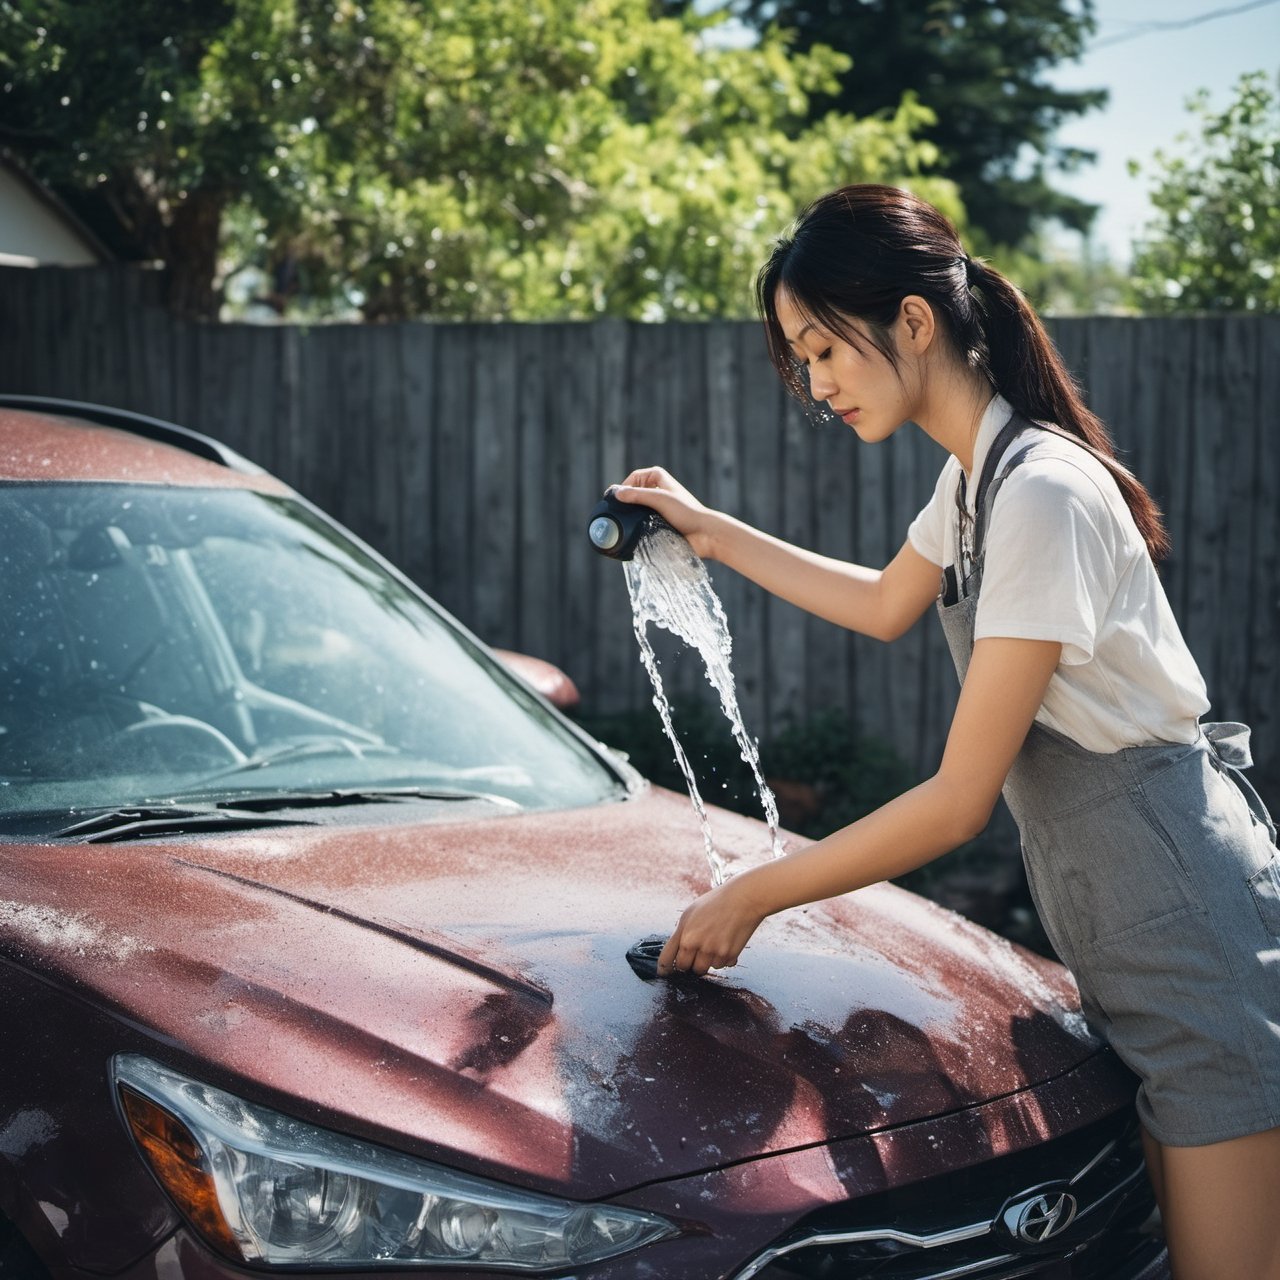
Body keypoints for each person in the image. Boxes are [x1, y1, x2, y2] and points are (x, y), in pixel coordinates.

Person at [610, 184, 1280, 1280]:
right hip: (1120, 937)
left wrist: (754, 892)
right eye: (800, 357)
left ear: (912, 322)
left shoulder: (1041, 494)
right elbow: (882, 601)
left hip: (1188, 942)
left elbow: (958, 797)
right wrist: (709, 530)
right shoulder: (975, 482)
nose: (816, 385)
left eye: (824, 348)